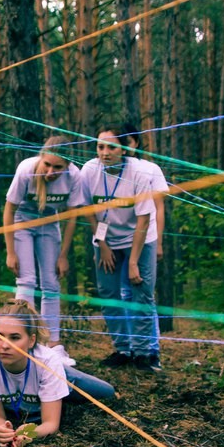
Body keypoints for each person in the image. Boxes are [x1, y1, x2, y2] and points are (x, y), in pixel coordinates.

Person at [78, 124, 169, 371]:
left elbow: (144, 218)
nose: (105, 152)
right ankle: (123, 349)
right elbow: (87, 211)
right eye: (100, 146)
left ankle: (144, 353)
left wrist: (132, 262)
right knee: (108, 294)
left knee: (141, 293)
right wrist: (102, 245)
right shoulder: (89, 170)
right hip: (106, 239)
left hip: (139, 239)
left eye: (111, 147)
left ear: (123, 149)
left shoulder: (139, 172)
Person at [0, 300, 116, 447]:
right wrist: (3, 432)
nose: (5, 345)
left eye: (14, 338)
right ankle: (54, 395)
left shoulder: (48, 361)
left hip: (60, 375)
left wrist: (31, 434)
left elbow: (51, 424)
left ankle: (61, 389)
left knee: (108, 393)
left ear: (31, 340)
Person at [2, 134, 85, 366]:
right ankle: (21, 339)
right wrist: (11, 251)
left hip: (50, 222)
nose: (50, 172)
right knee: (26, 280)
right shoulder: (26, 169)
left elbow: (72, 217)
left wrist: (63, 256)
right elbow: (9, 209)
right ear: (41, 158)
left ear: (67, 165)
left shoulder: (74, 176)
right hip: (23, 221)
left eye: (57, 167)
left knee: (51, 283)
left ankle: (53, 344)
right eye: (47, 164)